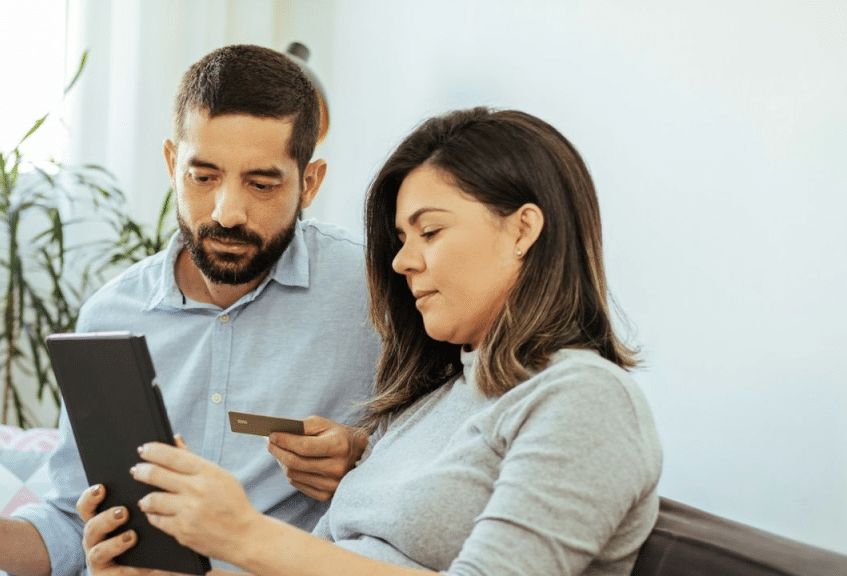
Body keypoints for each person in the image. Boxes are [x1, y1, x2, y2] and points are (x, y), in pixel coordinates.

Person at [78, 107, 663, 575]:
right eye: (402, 237)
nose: (404, 261)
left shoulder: (585, 397)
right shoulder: (435, 397)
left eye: (430, 231)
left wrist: (246, 535)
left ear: (523, 229)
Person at [0, 44, 381, 576]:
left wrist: (362, 457)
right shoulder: (110, 316)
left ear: (309, 183)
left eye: (261, 184)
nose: (227, 212)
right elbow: (69, 524)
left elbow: (436, 474)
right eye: (203, 176)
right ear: (173, 164)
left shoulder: (377, 293)